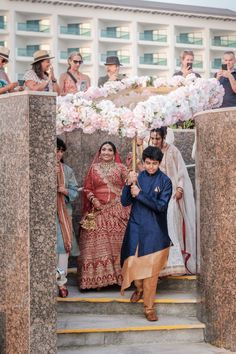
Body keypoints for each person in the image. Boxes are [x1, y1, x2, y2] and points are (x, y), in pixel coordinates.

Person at [121, 146, 172, 321]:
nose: (151, 167)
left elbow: (161, 206)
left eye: (154, 164)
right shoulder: (137, 177)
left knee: (151, 274)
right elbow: (124, 202)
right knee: (132, 265)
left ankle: (149, 308)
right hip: (136, 228)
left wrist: (140, 194)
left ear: (159, 163)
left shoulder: (165, 181)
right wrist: (129, 184)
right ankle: (139, 289)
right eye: (148, 163)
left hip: (154, 231)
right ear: (143, 162)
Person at [78, 141, 130, 290]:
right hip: (98, 209)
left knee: (119, 240)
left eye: (109, 150)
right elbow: (87, 188)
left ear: (114, 154)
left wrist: (131, 167)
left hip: (117, 208)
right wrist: (94, 201)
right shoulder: (93, 169)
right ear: (100, 153)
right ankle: (96, 281)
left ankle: (119, 278)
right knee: (94, 238)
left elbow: (129, 182)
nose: (106, 152)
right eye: (103, 150)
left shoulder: (121, 168)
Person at [149, 128, 196, 276]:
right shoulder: (150, 151)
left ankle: (176, 264)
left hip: (172, 196)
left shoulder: (173, 151)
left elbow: (181, 172)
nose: (155, 141)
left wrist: (180, 189)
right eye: (152, 138)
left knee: (173, 228)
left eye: (157, 138)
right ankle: (160, 265)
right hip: (155, 196)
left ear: (164, 137)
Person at [56, 138, 80, 297]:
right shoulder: (36, 168)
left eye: (61, 151)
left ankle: (61, 283)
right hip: (43, 215)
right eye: (56, 150)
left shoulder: (67, 170)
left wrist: (64, 190)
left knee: (63, 248)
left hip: (63, 214)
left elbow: (75, 192)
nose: (58, 154)